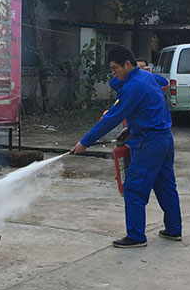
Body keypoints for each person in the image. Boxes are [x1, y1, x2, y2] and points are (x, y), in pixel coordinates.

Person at [71, 46, 182, 248]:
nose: (113, 73)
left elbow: (111, 118)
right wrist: (130, 127)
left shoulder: (133, 87)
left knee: (134, 188)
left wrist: (85, 142)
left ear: (128, 64)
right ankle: (174, 229)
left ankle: (136, 236)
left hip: (148, 143)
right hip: (164, 139)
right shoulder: (146, 77)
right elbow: (159, 87)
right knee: (165, 185)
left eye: (115, 68)